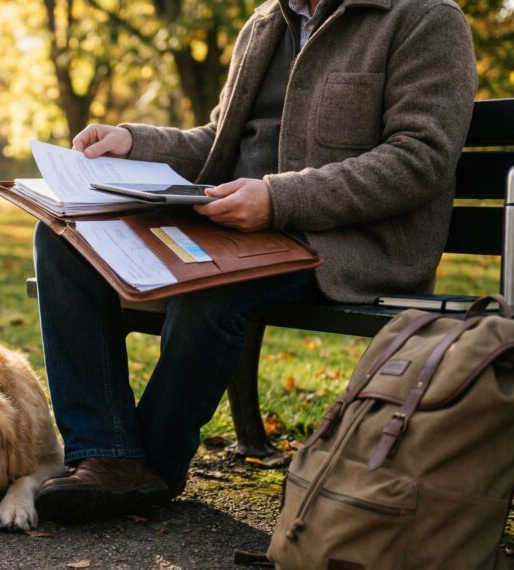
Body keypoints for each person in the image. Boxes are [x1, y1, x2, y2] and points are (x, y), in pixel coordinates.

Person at [32, 0, 476, 522]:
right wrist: (134, 141)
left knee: (214, 285)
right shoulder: (265, 23)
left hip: (344, 244)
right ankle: (104, 453)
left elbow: (418, 157)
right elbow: (219, 140)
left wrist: (278, 200)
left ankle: (146, 467)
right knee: (64, 237)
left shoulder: (425, 18)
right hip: (237, 226)